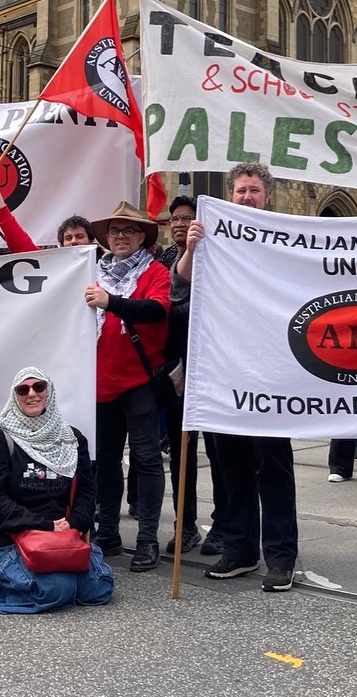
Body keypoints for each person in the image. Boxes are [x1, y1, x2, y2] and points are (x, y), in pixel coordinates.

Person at [179, 162, 300, 592]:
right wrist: (192, 247)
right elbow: (186, 278)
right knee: (231, 466)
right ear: (230, 195)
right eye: (240, 190)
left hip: (269, 371)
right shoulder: (214, 232)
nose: (246, 197)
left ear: (267, 195)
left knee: (272, 466)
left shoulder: (284, 235)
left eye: (253, 190)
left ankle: (281, 556)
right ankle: (241, 550)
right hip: (224, 370)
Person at [0, 367, 114, 613]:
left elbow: (86, 493)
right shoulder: (0, 441)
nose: (32, 394)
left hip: (61, 536)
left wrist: (74, 524)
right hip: (10, 540)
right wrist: (42, 524)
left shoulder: (72, 439)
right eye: (23, 389)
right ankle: (0, 582)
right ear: (14, 396)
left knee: (100, 588)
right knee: (55, 589)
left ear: (49, 392)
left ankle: (36, 584)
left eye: (39, 387)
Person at [84, 201, 170, 573]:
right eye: (115, 231)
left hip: (139, 382)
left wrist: (112, 302)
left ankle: (148, 538)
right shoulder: (90, 270)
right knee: (105, 461)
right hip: (99, 382)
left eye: (129, 231)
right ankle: (109, 532)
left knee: (147, 459)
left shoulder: (155, 271)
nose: (120, 237)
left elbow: (157, 310)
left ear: (141, 238)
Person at [152, 194, 210, 554]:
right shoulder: (162, 259)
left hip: (207, 367)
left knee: (216, 455)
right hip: (171, 370)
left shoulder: (213, 257)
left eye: (187, 218)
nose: (178, 223)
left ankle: (219, 524)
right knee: (179, 452)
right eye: (174, 218)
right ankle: (183, 523)